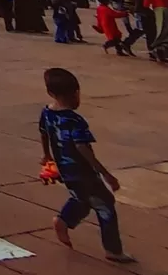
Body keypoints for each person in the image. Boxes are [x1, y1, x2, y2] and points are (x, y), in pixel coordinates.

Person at [38, 67, 135, 264]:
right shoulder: (75, 120)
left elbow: (43, 132)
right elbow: (83, 149)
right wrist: (106, 174)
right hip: (82, 171)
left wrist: (47, 154)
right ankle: (113, 249)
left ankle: (64, 221)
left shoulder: (47, 112)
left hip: (65, 170)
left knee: (82, 198)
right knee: (105, 205)